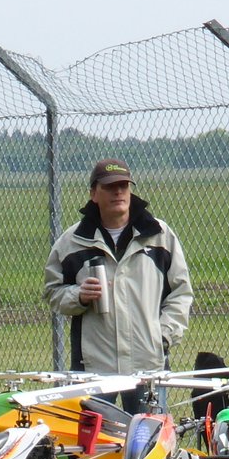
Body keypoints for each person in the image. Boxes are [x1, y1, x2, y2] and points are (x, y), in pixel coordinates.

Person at [43, 159, 193, 413]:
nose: (118, 192)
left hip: (148, 365)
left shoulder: (159, 235)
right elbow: (52, 291)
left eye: (124, 186)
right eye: (110, 187)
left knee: (147, 444)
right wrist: (78, 296)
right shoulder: (72, 242)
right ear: (93, 194)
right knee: (95, 447)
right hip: (94, 369)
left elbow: (181, 292)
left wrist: (163, 336)